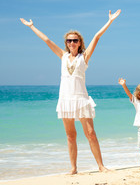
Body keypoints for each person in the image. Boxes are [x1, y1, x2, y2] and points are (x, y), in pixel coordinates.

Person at [20, 9, 121, 174]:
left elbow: (96, 37)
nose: (71, 43)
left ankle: (101, 166)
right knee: (70, 136)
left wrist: (109, 21)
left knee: (91, 134)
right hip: (65, 100)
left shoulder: (85, 57)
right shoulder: (63, 56)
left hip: (81, 99)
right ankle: (73, 168)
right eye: (69, 40)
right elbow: (46, 40)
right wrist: (32, 26)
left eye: (74, 40)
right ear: (66, 43)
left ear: (80, 42)